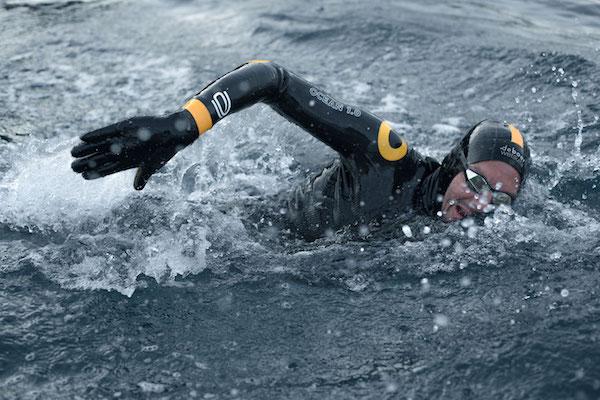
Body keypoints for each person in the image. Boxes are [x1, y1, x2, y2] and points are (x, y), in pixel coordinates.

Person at [71, 60, 531, 239]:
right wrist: (185, 124)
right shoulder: (385, 157)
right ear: (454, 164)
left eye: (500, 196)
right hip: (237, 233)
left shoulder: (470, 236)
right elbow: (273, 78)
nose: (481, 203)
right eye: (475, 182)